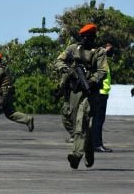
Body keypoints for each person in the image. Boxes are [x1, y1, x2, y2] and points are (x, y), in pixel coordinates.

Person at [54, 23, 108, 169]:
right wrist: (68, 70)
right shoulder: (72, 48)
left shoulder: (99, 52)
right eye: (82, 36)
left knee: (81, 121)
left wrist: (91, 80)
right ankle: (89, 153)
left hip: (90, 92)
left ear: (92, 37)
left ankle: (76, 155)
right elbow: (59, 61)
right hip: (75, 92)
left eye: (87, 36)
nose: (84, 39)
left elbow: (102, 71)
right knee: (78, 122)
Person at [0, 53, 34, 139]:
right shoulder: (4, 69)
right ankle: (27, 119)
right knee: (10, 113)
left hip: (2, 95)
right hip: (8, 94)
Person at [92, 43, 113, 152]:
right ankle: (97, 144)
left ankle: (95, 143)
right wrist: (105, 49)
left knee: (98, 119)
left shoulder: (103, 60)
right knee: (98, 120)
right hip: (100, 93)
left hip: (103, 93)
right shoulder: (99, 58)